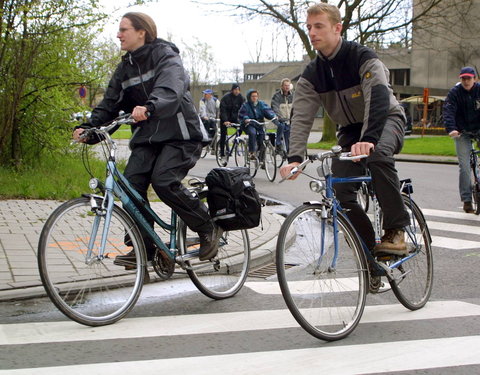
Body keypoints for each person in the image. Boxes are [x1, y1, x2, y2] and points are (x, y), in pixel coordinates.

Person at [73, 12, 222, 263]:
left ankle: (208, 227)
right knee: (130, 186)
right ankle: (145, 247)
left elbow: (170, 87)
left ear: (141, 31)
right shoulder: (125, 68)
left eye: (123, 30)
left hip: (180, 135)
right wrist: (88, 129)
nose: (118, 35)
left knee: (164, 181)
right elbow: (109, 104)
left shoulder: (165, 55)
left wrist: (151, 106)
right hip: (148, 138)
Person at [279, 3, 410, 257]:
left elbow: (379, 96)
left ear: (337, 28)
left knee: (379, 155)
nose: (312, 32)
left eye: (319, 26)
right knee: (339, 190)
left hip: (385, 119)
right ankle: (370, 254)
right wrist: (295, 157)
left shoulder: (361, 57)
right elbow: (301, 116)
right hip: (350, 130)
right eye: (309, 27)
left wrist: (370, 138)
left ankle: (396, 230)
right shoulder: (312, 74)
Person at [443, 66, 480, 213]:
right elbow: (449, 111)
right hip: (461, 131)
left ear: (475, 79)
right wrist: (451, 129)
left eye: (469, 78)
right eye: (463, 78)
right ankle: (466, 200)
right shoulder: (454, 93)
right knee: (464, 166)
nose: (466, 81)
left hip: (478, 128)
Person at [238, 89, 278, 159]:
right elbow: (243, 114)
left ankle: (261, 156)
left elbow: (267, 111)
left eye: (256, 96)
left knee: (262, 137)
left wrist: (273, 116)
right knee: (252, 133)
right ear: (249, 97)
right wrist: (246, 118)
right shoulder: (245, 105)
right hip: (250, 124)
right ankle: (251, 152)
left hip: (259, 123)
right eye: (253, 96)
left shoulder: (261, 104)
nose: (254, 98)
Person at [219, 84, 244, 158]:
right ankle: (222, 152)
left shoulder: (241, 98)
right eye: (235, 90)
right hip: (225, 118)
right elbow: (222, 110)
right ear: (232, 90)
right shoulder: (226, 98)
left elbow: (243, 108)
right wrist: (225, 120)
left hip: (235, 118)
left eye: (238, 90)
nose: (237, 91)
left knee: (241, 128)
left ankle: (235, 139)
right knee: (223, 134)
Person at [271, 78, 293, 153]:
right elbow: (275, 107)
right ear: (281, 86)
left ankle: (289, 151)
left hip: (289, 120)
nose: (287, 87)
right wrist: (279, 117)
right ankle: (278, 144)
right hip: (278, 118)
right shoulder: (277, 96)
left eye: (288, 85)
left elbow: (296, 107)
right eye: (285, 85)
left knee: (288, 134)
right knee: (281, 125)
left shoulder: (293, 96)